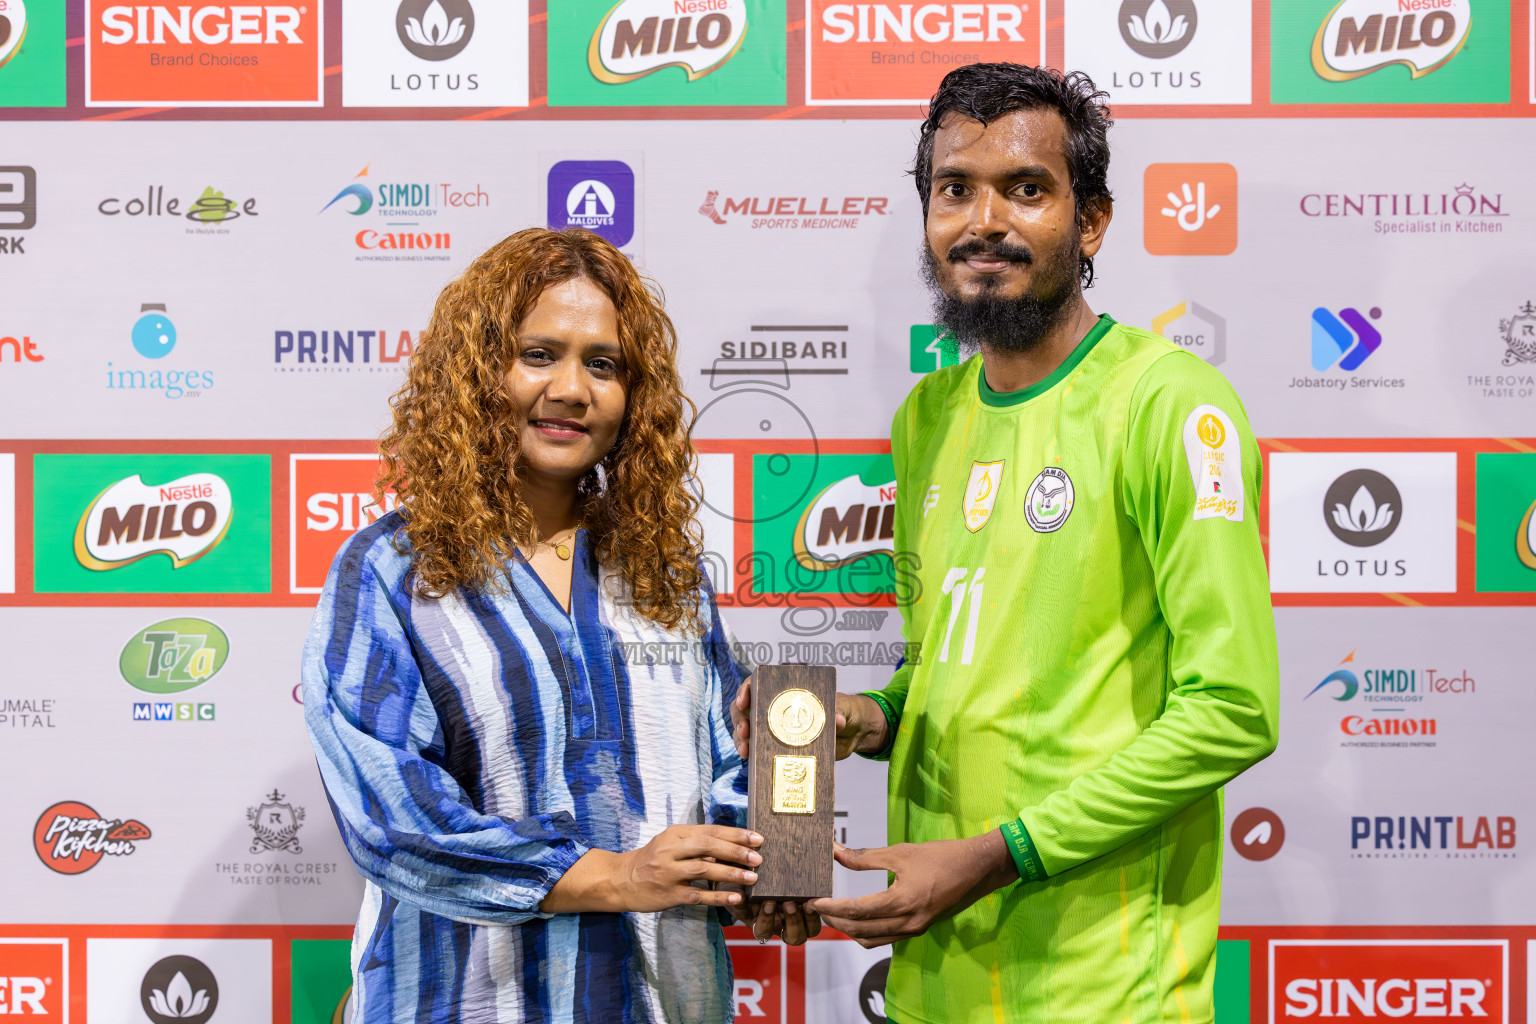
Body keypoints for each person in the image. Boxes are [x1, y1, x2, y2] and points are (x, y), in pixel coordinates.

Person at [733, 64, 1279, 1023]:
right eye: (955, 190)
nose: (985, 221)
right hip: (934, 981)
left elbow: (1232, 708)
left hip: (1101, 992)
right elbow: (949, 665)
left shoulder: (1169, 403)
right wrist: (864, 718)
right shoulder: (927, 415)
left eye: (1026, 189)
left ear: (1093, 220)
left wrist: (996, 854)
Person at [303, 227, 809, 1024]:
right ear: (477, 375)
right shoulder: (394, 570)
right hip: (463, 1001)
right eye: (539, 355)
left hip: (662, 1000)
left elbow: (738, 755)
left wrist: (769, 865)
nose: (573, 389)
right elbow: (390, 814)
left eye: (602, 365)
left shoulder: (664, 577)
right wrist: (611, 876)